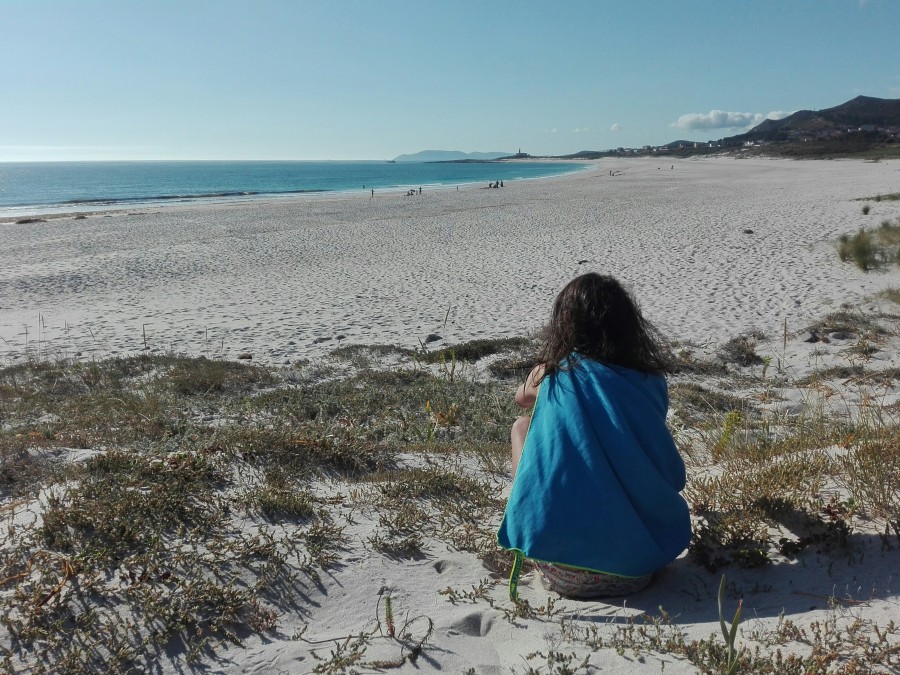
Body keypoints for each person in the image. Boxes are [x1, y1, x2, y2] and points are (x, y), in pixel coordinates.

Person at [497, 273, 691, 599]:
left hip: (557, 569)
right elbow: (660, 458)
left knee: (520, 426)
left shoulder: (554, 373)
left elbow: (521, 398)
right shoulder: (648, 380)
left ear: (564, 325)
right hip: (638, 568)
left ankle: (531, 518)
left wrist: (544, 370)